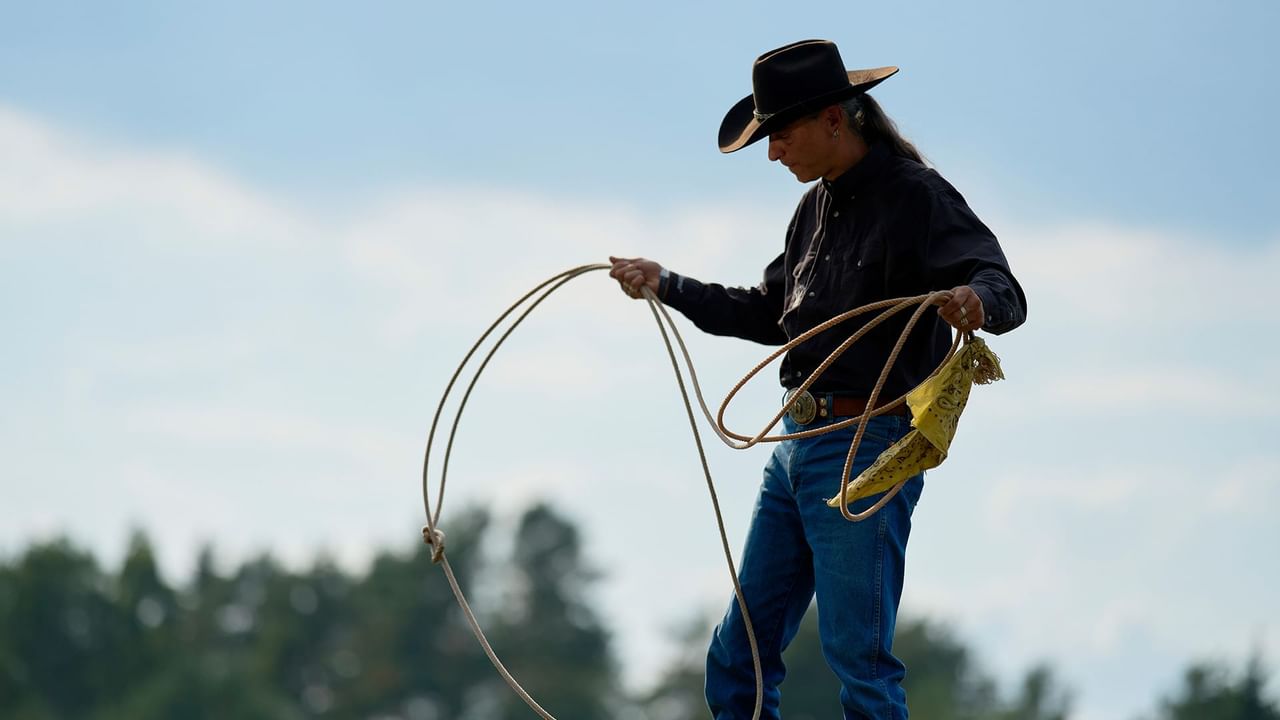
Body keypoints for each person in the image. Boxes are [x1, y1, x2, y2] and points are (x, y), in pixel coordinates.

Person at [609, 39, 1027, 719]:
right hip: (798, 444)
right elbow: (769, 313)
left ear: (834, 119)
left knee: (859, 661)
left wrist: (975, 301)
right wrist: (669, 285)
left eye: (781, 134)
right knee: (738, 658)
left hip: (868, 442)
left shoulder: (917, 196)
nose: (773, 153)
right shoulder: (813, 209)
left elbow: (1000, 284)